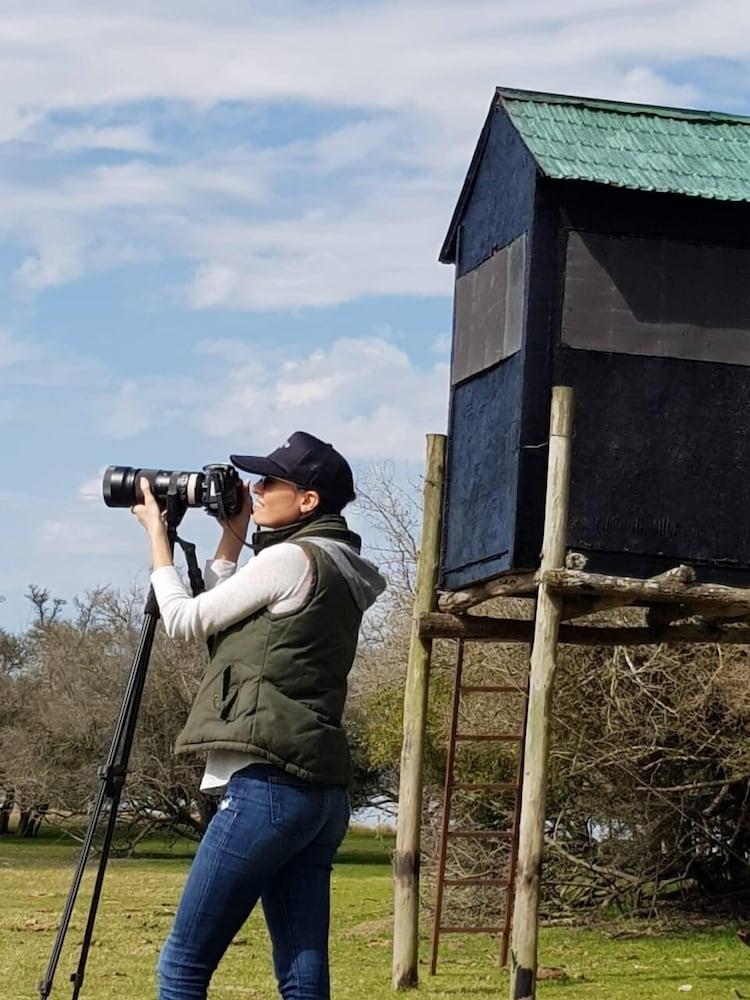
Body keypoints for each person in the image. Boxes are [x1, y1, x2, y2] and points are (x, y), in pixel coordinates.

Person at [131, 431, 386, 1000]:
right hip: (319, 795)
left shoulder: (291, 558)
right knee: (301, 977)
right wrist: (233, 535)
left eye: (270, 481)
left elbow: (187, 621)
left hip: (267, 786)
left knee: (182, 967)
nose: (255, 488)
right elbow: (236, 621)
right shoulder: (336, 565)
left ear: (307, 500)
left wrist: (158, 540)